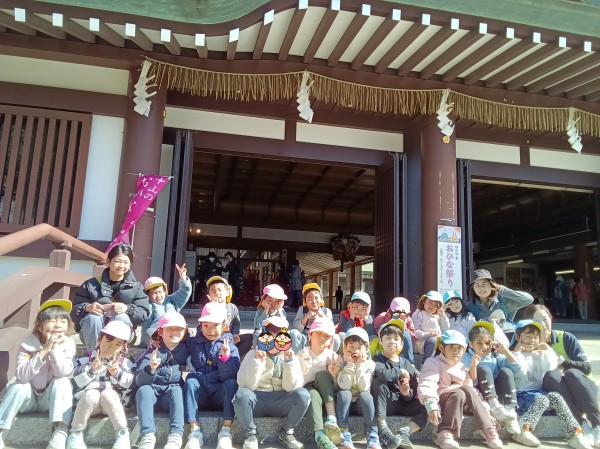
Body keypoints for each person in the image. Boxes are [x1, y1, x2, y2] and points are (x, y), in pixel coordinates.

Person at [0, 299, 75, 449]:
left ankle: (61, 430)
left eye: (63, 321)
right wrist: (43, 352)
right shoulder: (27, 344)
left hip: (50, 400)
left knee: (62, 381)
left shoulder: (68, 344)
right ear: (40, 326)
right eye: (52, 320)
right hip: (29, 399)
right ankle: (1, 430)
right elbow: (22, 376)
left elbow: (63, 372)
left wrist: (54, 350)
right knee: (18, 386)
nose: (58, 325)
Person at [522, 304, 600, 447]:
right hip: (558, 391)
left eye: (545, 319)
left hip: (583, 389)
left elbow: (587, 368)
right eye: (537, 321)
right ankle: (581, 425)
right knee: (550, 376)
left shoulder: (566, 338)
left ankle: (597, 425)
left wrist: (563, 362)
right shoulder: (526, 343)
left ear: (551, 318)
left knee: (571, 373)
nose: (543, 324)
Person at [509, 320, 591, 449]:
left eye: (536, 337)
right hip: (521, 396)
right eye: (528, 336)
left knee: (555, 397)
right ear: (517, 337)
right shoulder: (511, 355)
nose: (532, 340)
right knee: (542, 399)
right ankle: (523, 430)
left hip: (539, 395)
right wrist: (518, 352)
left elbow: (551, 366)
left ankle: (575, 435)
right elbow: (519, 371)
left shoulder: (539, 355)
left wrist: (547, 349)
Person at [233, 316, 310, 449]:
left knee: (303, 395)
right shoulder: (252, 354)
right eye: (269, 337)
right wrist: (257, 362)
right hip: (258, 399)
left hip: (281, 400)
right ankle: (251, 433)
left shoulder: (292, 356)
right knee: (241, 395)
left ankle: (286, 431)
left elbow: (291, 387)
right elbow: (245, 385)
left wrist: (289, 363)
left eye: (279, 338)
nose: (274, 342)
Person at [418, 329, 502, 449]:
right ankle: (444, 433)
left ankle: (488, 429)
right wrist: (430, 404)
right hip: (441, 402)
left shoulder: (461, 366)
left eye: (459, 348)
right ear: (441, 347)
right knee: (459, 393)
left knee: (466, 389)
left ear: (464, 349)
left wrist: (486, 412)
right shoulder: (433, 362)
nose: (456, 351)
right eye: (451, 347)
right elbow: (427, 382)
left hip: (462, 403)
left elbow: (472, 392)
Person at [67, 320, 135, 449]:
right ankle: (75, 433)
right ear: (99, 339)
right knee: (92, 393)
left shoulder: (126, 363)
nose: (110, 347)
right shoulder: (84, 359)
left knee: (108, 393)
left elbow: (130, 386)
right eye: (108, 341)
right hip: (87, 404)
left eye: (117, 344)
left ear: (123, 347)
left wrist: (117, 373)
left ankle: (122, 433)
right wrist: (91, 370)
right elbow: (72, 383)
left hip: (113, 405)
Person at [71, 244, 150, 352]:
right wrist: (87, 308)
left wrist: (127, 309)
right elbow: (74, 312)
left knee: (121, 316)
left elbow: (144, 313)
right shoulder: (91, 284)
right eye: (118, 261)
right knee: (93, 317)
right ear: (108, 261)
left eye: (126, 262)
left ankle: (116, 356)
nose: (121, 266)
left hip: (124, 336)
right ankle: (94, 356)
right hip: (91, 333)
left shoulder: (137, 287)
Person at [184, 303, 240, 449]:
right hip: (201, 394)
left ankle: (225, 431)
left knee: (231, 383)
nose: (211, 330)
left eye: (215, 325)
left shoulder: (230, 346)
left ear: (224, 325)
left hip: (219, 395)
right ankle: (195, 431)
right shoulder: (193, 342)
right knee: (190, 382)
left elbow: (230, 374)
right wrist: (158, 343)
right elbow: (175, 350)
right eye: (206, 325)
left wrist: (225, 358)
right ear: (200, 325)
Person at [135, 312, 190, 449]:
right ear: (160, 331)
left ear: (185, 331)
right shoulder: (152, 351)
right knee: (143, 390)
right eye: (170, 328)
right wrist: (151, 369)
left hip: (170, 397)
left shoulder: (186, 348)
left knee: (176, 390)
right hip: (152, 395)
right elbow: (139, 380)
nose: (175, 332)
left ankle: (176, 435)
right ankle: (147, 435)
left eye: (179, 329)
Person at [370, 319, 427, 449]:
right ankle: (382, 428)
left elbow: (413, 388)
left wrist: (406, 393)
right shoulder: (377, 360)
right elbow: (383, 374)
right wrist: (400, 371)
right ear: (380, 341)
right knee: (379, 382)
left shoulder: (406, 363)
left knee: (427, 404)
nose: (392, 341)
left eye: (396, 339)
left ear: (401, 343)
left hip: (403, 402)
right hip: (386, 404)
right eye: (388, 338)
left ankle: (405, 432)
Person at [461, 321, 521, 436]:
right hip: (479, 393)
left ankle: (510, 412)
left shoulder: (495, 356)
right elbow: (471, 382)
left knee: (507, 371)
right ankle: (494, 406)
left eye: (487, 343)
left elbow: (517, 371)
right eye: (479, 343)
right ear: (471, 344)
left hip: (498, 394)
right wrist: (474, 364)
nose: (484, 347)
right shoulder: (466, 357)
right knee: (484, 368)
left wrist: (505, 351)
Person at [297, 318, 343, 449]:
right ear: (310, 335)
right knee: (312, 394)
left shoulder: (332, 356)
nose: (322, 338)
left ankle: (332, 419)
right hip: (310, 396)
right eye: (319, 333)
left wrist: (334, 374)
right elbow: (296, 385)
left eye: (327, 336)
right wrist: (304, 370)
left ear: (331, 340)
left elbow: (337, 386)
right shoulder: (302, 354)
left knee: (322, 375)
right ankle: (319, 436)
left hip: (327, 396)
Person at [333, 327, 379, 449]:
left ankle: (372, 434)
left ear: (367, 349)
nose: (355, 351)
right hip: (344, 404)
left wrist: (359, 366)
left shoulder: (369, 364)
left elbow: (364, 387)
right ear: (345, 348)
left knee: (365, 395)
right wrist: (349, 365)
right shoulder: (341, 362)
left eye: (359, 347)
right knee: (344, 393)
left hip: (361, 404)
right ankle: (343, 431)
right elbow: (344, 385)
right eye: (351, 347)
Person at [467, 269, 533, 336]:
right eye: (477, 285)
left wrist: (501, 289)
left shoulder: (503, 300)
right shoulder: (469, 306)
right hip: (486, 340)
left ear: (491, 285)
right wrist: (487, 320)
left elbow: (528, 299)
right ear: (473, 288)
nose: (481, 288)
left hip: (508, 336)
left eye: (484, 284)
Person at [140, 263, 192, 348]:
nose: (158, 295)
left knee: (188, 331)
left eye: (160, 292)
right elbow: (146, 328)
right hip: (160, 335)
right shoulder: (149, 306)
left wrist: (183, 279)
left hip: (176, 330)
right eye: (153, 293)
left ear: (165, 291)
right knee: (153, 328)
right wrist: (146, 343)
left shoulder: (172, 300)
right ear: (148, 295)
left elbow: (184, 292)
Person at [292, 283, 335, 351]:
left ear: (321, 299)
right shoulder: (302, 309)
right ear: (305, 301)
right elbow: (296, 327)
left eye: (316, 298)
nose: (313, 301)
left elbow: (331, 329)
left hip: (321, 340)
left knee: (336, 338)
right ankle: (298, 355)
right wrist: (306, 317)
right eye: (309, 298)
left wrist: (322, 316)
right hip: (305, 339)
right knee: (293, 333)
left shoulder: (326, 311)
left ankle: (327, 355)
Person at [373, 297, 416, 364]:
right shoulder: (382, 317)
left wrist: (404, 328)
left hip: (399, 345)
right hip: (383, 344)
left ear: (408, 314)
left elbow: (413, 336)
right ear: (389, 312)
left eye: (403, 314)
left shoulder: (408, 320)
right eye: (396, 313)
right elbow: (374, 330)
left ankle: (410, 362)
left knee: (406, 334)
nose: (399, 316)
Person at [412, 291, 449, 362]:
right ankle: (426, 363)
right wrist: (428, 335)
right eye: (430, 302)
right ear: (424, 301)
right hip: (422, 343)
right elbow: (415, 333)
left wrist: (443, 316)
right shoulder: (419, 314)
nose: (432, 306)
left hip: (437, 343)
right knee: (433, 341)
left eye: (435, 305)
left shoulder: (438, 317)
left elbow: (445, 329)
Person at [249, 284, 288, 351]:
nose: (273, 304)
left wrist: (279, 310)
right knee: (257, 333)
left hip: (276, 333)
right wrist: (266, 310)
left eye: (276, 301)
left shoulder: (281, 311)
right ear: (264, 300)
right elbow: (257, 325)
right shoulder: (261, 310)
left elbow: (284, 325)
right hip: (263, 332)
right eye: (270, 300)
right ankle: (258, 352)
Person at [205, 276, 241, 345]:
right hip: (212, 339)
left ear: (227, 292)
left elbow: (236, 323)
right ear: (209, 294)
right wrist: (213, 308)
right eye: (213, 291)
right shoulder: (208, 308)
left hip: (229, 338)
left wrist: (235, 334)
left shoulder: (232, 307)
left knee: (248, 338)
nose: (217, 293)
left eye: (220, 290)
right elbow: (202, 327)